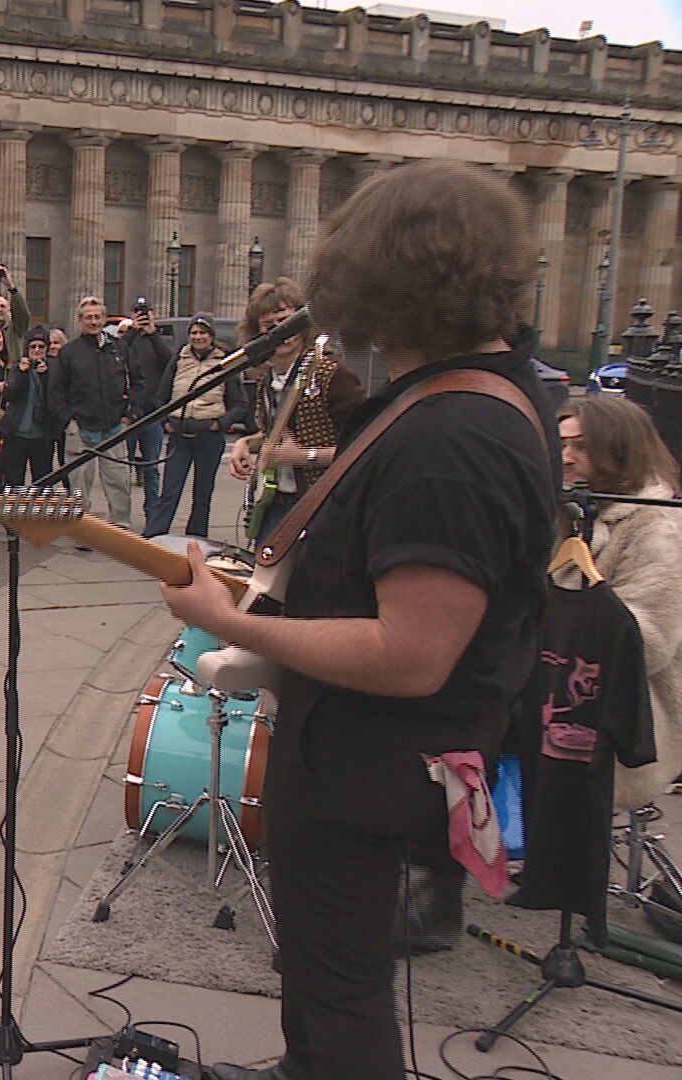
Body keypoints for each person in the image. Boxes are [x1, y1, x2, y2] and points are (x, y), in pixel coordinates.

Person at [164, 161, 557, 1080]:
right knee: (325, 978)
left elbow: (411, 652)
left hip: (370, 762)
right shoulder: (452, 400)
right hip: (361, 751)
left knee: (340, 994)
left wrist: (236, 623)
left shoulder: (453, 436)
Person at [557, 396, 682, 811]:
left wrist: (559, 614)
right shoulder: (569, 510)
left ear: (618, 451)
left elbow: (650, 642)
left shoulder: (655, 526)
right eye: (562, 445)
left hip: (618, 721)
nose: (567, 458)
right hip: (557, 704)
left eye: (581, 447)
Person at [226, 277, 366, 545]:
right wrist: (245, 443)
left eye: (288, 323)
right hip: (274, 502)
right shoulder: (267, 378)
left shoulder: (330, 373)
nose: (282, 333)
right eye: (271, 326)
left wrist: (304, 456)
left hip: (322, 504)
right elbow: (273, 437)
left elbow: (366, 445)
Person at [144, 315, 248, 539]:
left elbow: (240, 403)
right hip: (179, 435)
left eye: (203, 333)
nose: (198, 337)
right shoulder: (178, 360)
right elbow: (161, 396)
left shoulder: (225, 362)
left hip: (208, 436)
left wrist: (220, 424)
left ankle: (197, 536)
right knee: (170, 490)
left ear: (211, 336)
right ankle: (155, 534)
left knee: (202, 493)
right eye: (194, 333)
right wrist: (166, 422)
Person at [50, 296, 138, 528]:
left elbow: (138, 381)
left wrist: (130, 413)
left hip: (114, 427)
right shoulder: (69, 352)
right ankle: (84, 530)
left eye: (98, 317)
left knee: (119, 482)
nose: (94, 321)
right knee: (79, 487)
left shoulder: (119, 348)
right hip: (80, 429)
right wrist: (68, 422)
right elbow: (56, 391)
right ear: (80, 321)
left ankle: (121, 528)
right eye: (89, 317)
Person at [120, 298, 175, 514]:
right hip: (129, 413)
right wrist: (133, 330)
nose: (143, 316)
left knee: (152, 466)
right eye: (138, 312)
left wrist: (152, 333)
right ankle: (122, 512)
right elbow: (118, 353)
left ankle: (152, 511)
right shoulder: (127, 339)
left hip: (153, 414)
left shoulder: (159, 340)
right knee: (123, 467)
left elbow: (170, 362)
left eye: (147, 312)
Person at [0, 325, 67, 489]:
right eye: (33, 347)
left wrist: (44, 377)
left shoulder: (54, 369)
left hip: (42, 435)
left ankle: (38, 514)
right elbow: (9, 395)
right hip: (17, 433)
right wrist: (22, 374)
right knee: (14, 481)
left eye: (41, 347)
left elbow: (54, 399)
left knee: (43, 483)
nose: (37, 350)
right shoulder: (17, 368)